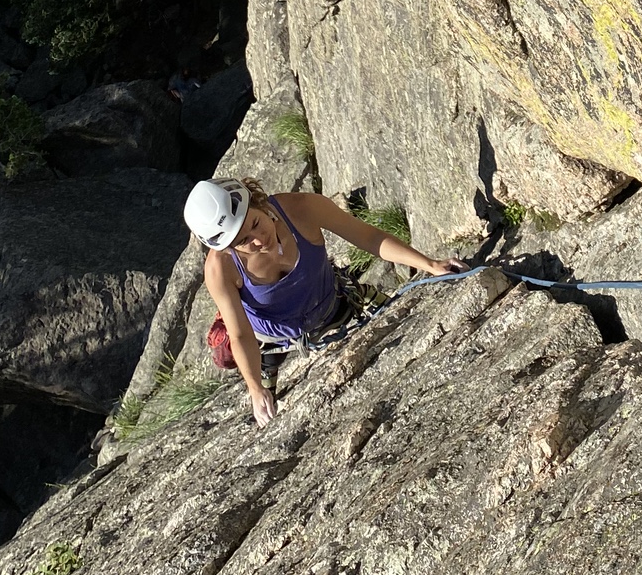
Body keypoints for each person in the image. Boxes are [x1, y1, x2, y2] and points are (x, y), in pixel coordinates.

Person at [183, 177, 464, 426]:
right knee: (267, 420)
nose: (259, 240)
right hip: (271, 342)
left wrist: (430, 265)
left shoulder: (302, 208)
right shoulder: (221, 269)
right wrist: (255, 388)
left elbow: (369, 237)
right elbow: (240, 333)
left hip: (335, 304)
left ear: (256, 201)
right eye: (243, 241)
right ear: (228, 247)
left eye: (255, 223)